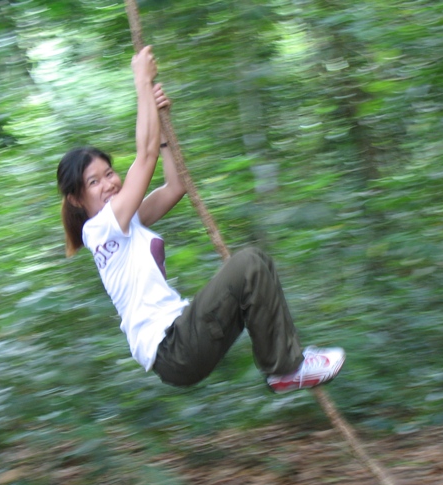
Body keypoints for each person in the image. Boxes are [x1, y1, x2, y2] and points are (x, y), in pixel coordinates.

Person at [57, 46, 344, 393]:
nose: (109, 184)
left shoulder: (125, 223)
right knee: (249, 263)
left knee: (258, 270)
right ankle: (285, 367)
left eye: (109, 173)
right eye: (94, 181)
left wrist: (163, 134)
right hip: (174, 348)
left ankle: (284, 363)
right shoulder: (98, 229)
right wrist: (141, 82)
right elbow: (143, 159)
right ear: (76, 199)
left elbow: (175, 186)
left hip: (184, 338)